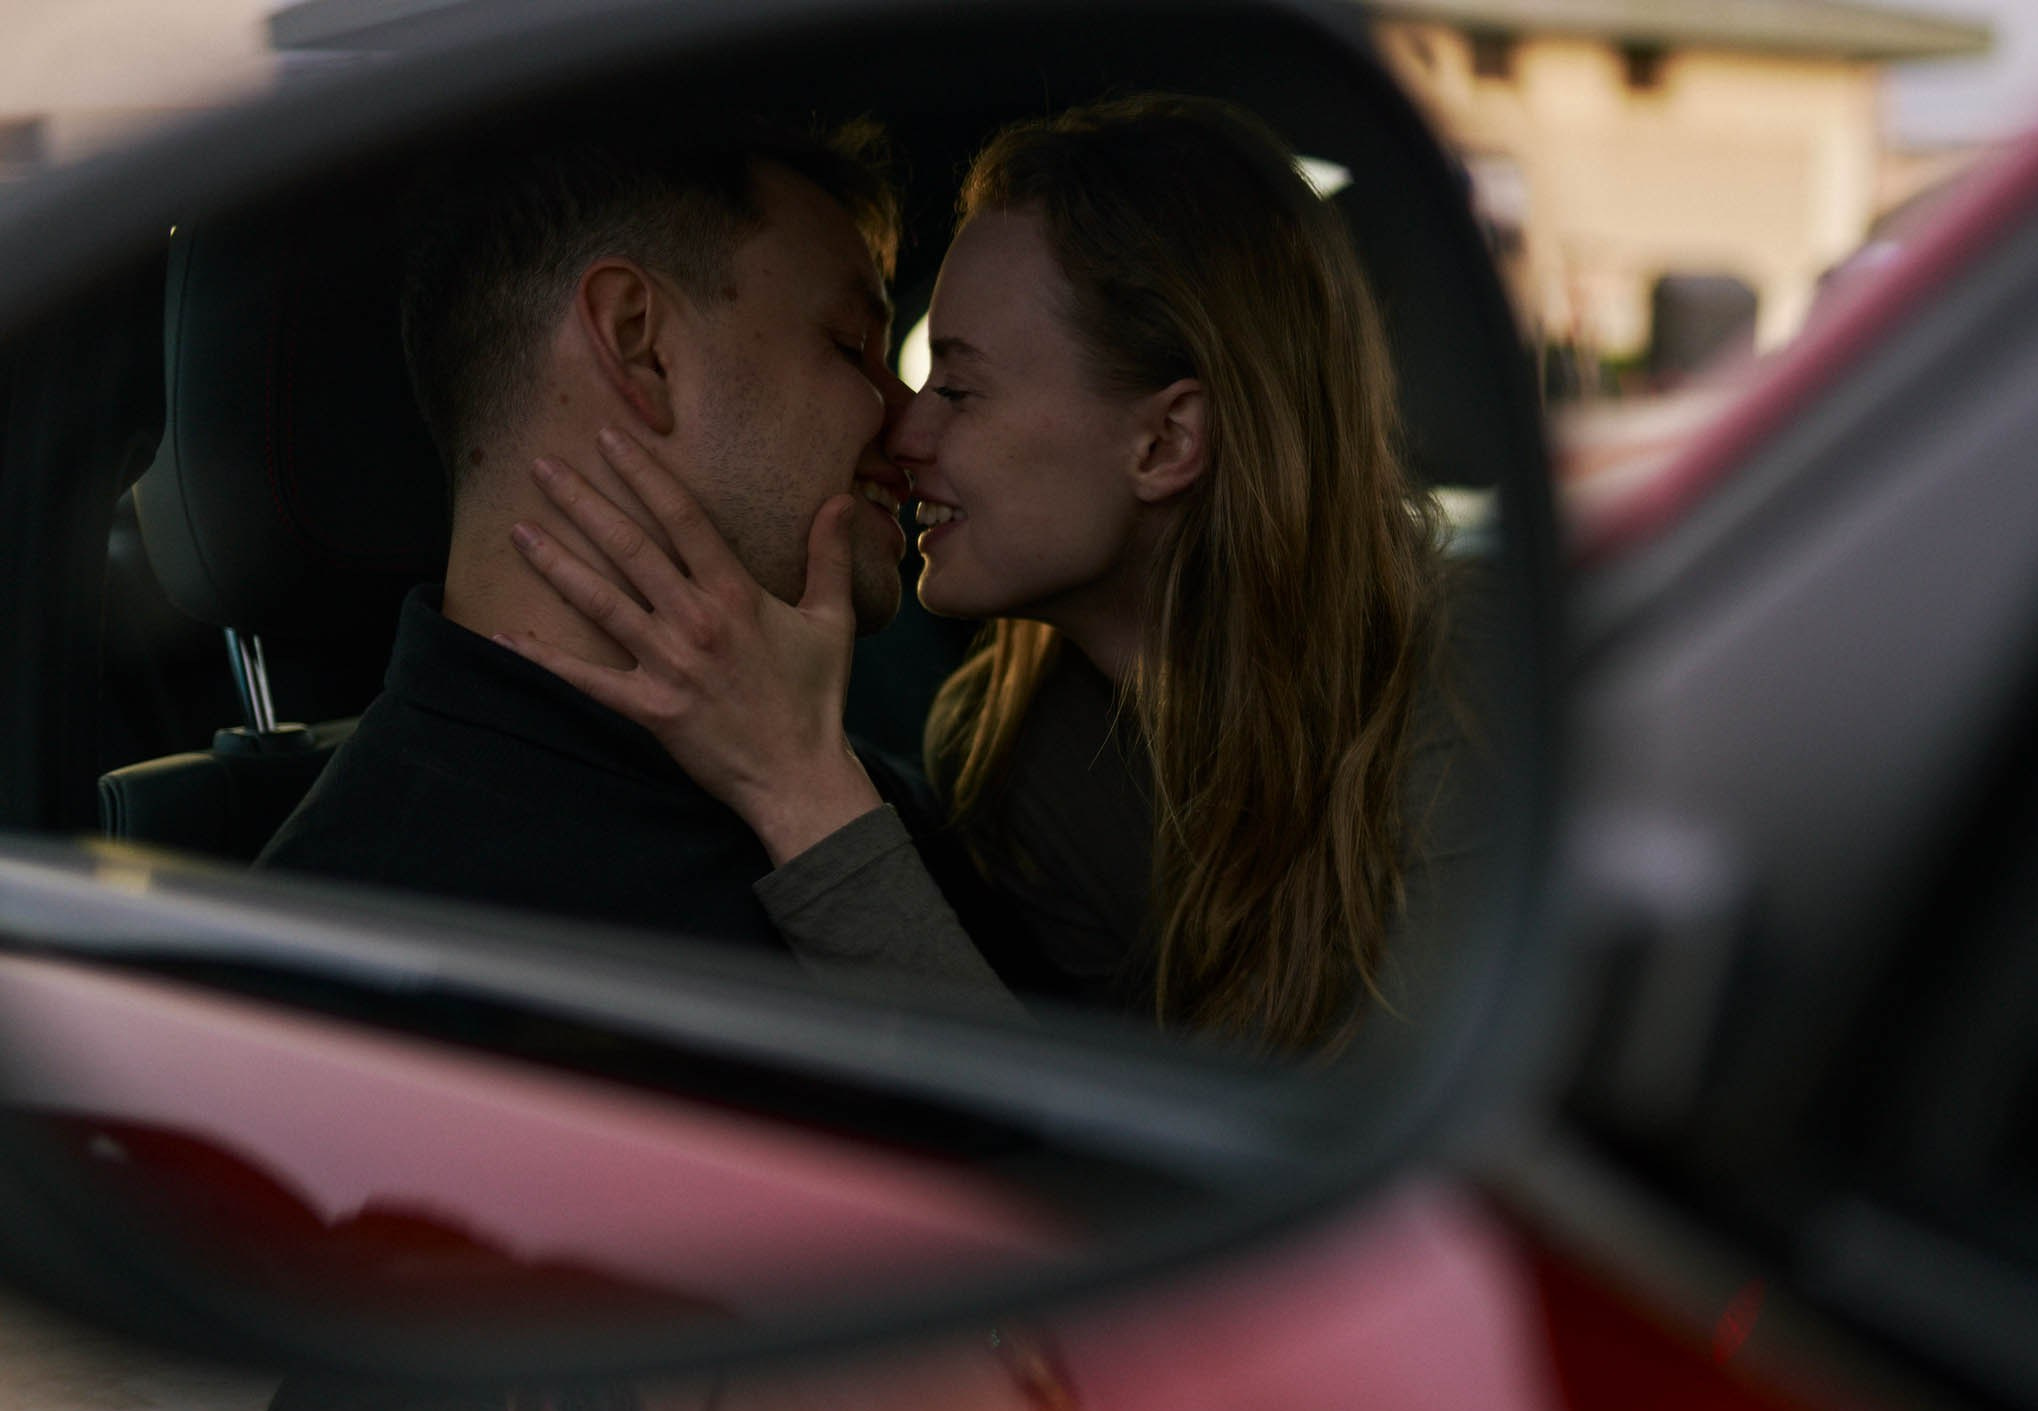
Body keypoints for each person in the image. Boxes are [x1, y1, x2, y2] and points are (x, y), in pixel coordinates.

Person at [499, 95, 1449, 1051]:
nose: (900, 427)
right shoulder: (1013, 758)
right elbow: (1079, 1135)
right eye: (865, 358)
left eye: (956, 387)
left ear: (1164, 442)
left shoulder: (1469, 696)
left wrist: (802, 790)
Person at [258, 115, 968, 962]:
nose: (909, 418)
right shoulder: (357, 953)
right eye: (852, 347)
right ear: (638, 345)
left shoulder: (860, 790)